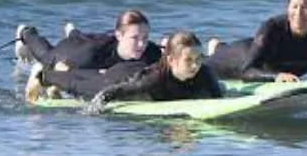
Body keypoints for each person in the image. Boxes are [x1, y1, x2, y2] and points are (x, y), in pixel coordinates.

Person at [32, 31, 223, 108]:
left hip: (137, 68)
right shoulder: (153, 80)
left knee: (89, 76)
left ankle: (64, 72)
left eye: (199, 59)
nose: (195, 65)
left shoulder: (204, 73)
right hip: (122, 78)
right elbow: (109, 93)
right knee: (86, 87)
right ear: (171, 60)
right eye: (188, 60)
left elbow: (220, 100)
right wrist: (92, 111)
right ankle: (45, 76)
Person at [19, 10, 162, 102]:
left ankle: (72, 30)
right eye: (135, 38)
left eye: (145, 37)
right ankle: (27, 33)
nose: (141, 44)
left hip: (95, 45)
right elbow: (72, 74)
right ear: (119, 35)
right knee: (47, 57)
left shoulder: (152, 52)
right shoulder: (90, 54)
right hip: (80, 47)